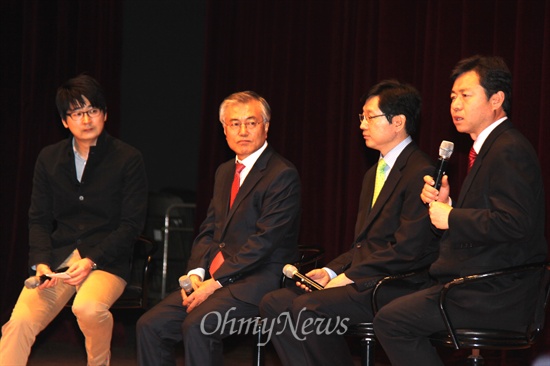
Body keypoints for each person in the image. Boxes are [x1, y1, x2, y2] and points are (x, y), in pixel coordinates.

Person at [374, 55, 548, 365]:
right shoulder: (488, 149)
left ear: (496, 99)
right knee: (392, 310)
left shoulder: (508, 149)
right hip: (479, 283)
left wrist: (451, 217)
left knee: (393, 320)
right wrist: (447, 206)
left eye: (466, 95)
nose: (455, 104)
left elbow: (515, 222)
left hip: (497, 291)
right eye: (453, 96)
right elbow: (489, 217)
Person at [259, 80, 440, 365]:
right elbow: (363, 244)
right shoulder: (373, 174)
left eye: (370, 117)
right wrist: (330, 272)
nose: (362, 125)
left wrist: (349, 277)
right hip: (365, 278)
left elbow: (408, 249)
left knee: (309, 308)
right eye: (362, 117)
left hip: (397, 284)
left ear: (398, 122)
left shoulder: (422, 172)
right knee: (274, 303)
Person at [136, 91, 301, 366]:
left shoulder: (281, 174)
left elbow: (264, 241)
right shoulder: (225, 171)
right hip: (214, 280)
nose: (243, 131)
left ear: (266, 126)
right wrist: (196, 273)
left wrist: (216, 282)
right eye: (234, 124)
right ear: (224, 129)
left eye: (251, 122)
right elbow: (210, 228)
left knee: (199, 326)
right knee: (149, 326)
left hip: (256, 282)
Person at [0, 74, 148, 365]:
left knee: (88, 307)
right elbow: (39, 219)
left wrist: (91, 259)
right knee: (19, 322)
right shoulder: (49, 158)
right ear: (65, 121)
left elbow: (131, 225)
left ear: (104, 114)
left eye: (92, 110)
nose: (86, 119)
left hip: (106, 260)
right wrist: (41, 262)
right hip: (58, 260)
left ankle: (99, 362)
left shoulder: (128, 159)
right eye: (76, 113)